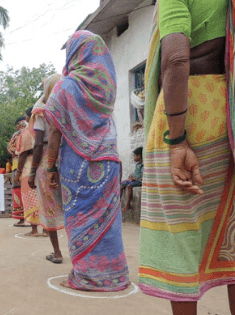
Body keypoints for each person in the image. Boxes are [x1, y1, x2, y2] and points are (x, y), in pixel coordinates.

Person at [139, 0, 235, 313]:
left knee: (176, 241)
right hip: (229, 108)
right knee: (231, 237)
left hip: (189, 111)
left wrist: (178, 140)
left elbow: (176, 60)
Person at [43, 30, 130, 291]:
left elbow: (55, 131)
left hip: (77, 163)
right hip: (109, 160)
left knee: (80, 218)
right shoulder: (107, 86)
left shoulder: (67, 86)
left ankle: (87, 277)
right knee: (108, 220)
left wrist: (50, 168)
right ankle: (115, 275)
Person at [28, 74, 65, 263]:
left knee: (49, 207)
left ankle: (57, 253)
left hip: (46, 161)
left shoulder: (41, 110)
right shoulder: (68, 106)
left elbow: (37, 145)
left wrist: (32, 172)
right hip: (66, 158)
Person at [15, 107, 43, 237]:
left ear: (29, 117)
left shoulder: (27, 132)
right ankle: (47, 229)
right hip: (43, 166)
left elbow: (23, 154)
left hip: (29, 167)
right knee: (42, 197)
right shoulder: (44, 127)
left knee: (31, 197)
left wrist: (18, 172)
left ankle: (34, 230)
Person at [8, 116, 29, 227]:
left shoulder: (16, 135)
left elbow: (10, 148)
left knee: (18, 190)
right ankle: (34, 219)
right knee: (31, 190)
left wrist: (18, 152)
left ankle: (21, 219)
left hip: (18, 165)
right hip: (31, 165)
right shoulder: (33, 131)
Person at [120, 147, 143, 213]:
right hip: (134, 179)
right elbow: (135, 172)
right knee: (121, 184)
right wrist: (131, 176)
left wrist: (135, 178)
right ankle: (118, 203)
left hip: (139, 181)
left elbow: (144, 175)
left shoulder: (144, 165)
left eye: (134, 155)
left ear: (139, 156)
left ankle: (127, 205)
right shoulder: (137, 164)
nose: (133, 157)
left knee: (129, 186)